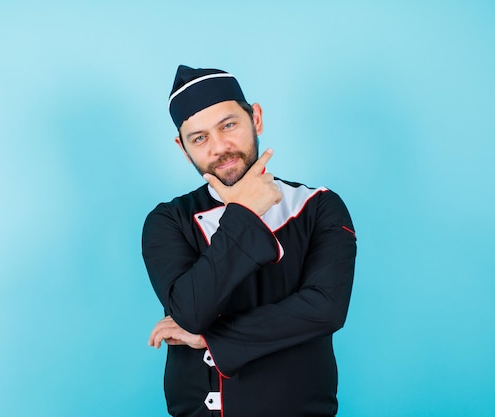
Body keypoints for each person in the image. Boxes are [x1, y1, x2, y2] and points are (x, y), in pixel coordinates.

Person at [142, 65, 357, 417]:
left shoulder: (319, 206)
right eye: (199, 138)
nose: (220, 148)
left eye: (228, 125)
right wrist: (244, 211)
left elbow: (325, 308)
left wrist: (212, 339)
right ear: (183, 149)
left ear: (255, 118)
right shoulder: (168, 221)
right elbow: (191, 312)